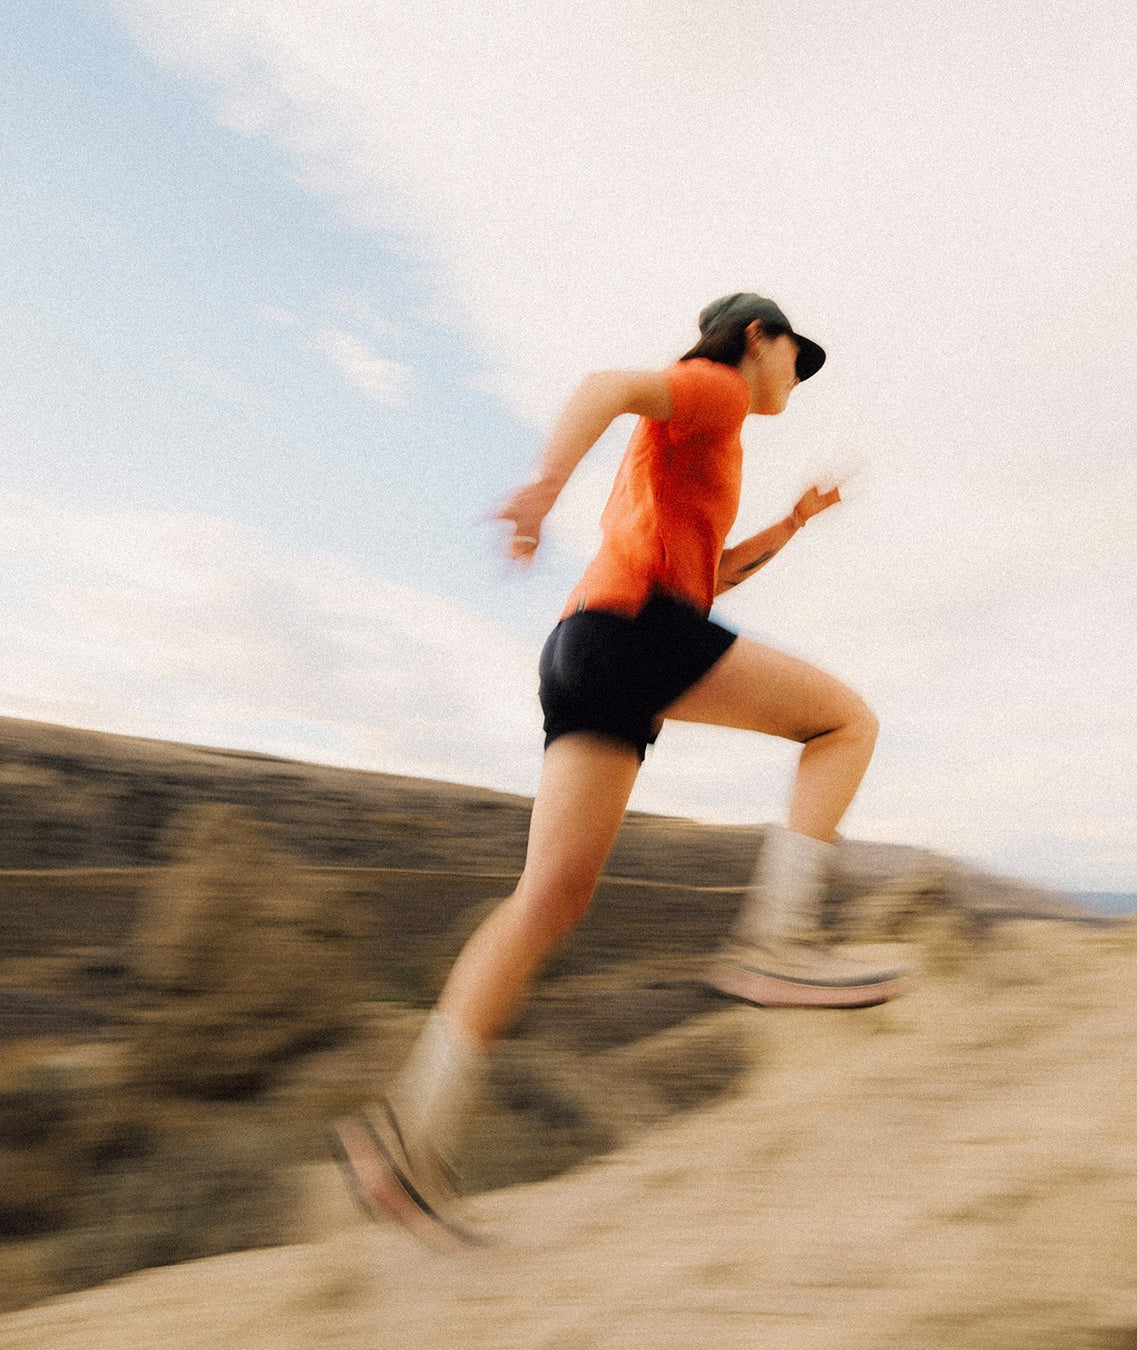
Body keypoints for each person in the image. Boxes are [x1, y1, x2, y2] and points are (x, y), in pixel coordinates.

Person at [331, 293, 906, 1245]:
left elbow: (708, 578)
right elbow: (606, 385)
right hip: (637, 632)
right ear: (755, 339)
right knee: (846, 724)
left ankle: (410, 1144)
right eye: (792, 358)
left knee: (545, 903)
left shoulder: (695, 450)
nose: (794, 380)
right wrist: (543, 487)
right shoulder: (717, 388)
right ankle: (777, 943)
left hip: (587, 645)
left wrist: (794, 524)